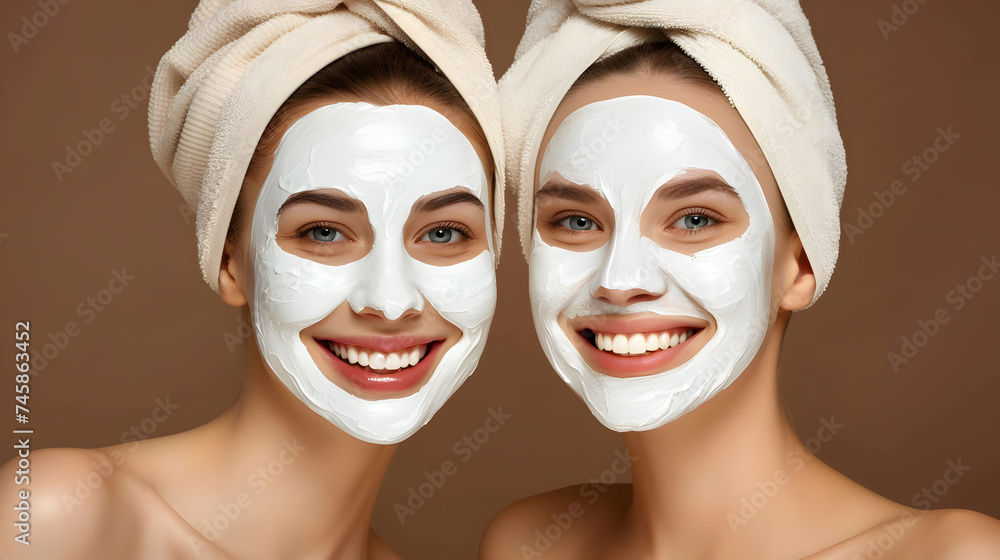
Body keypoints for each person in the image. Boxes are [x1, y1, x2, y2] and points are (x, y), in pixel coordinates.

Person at [481, 1, 1000, 558]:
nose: (621, 279)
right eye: (577, 222)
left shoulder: (955, 554)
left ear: (799, 267)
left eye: (695, 220)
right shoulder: (528, 545)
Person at [0, 1, 503, 558]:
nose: (388, 301)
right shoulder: (60, 518)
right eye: (324, 233)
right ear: (228, 261)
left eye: (443, 234)